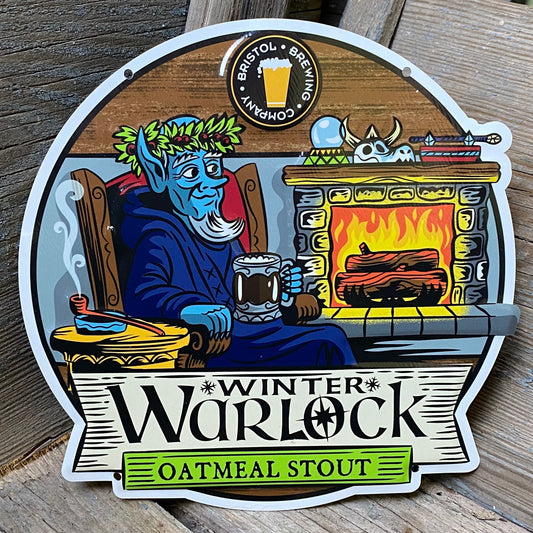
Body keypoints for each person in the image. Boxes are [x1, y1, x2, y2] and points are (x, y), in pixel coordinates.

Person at [113, 113, 355, 368]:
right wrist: (191, 309)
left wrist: (279, 291)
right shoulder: (158, 235)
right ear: (161, 178)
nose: (207, 183)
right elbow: (141, 296)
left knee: (331, 337)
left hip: (247, 332)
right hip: (213, 344)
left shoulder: (220, 232)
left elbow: (241, 295)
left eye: (212, 168)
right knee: (329, 341)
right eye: (191, 173)